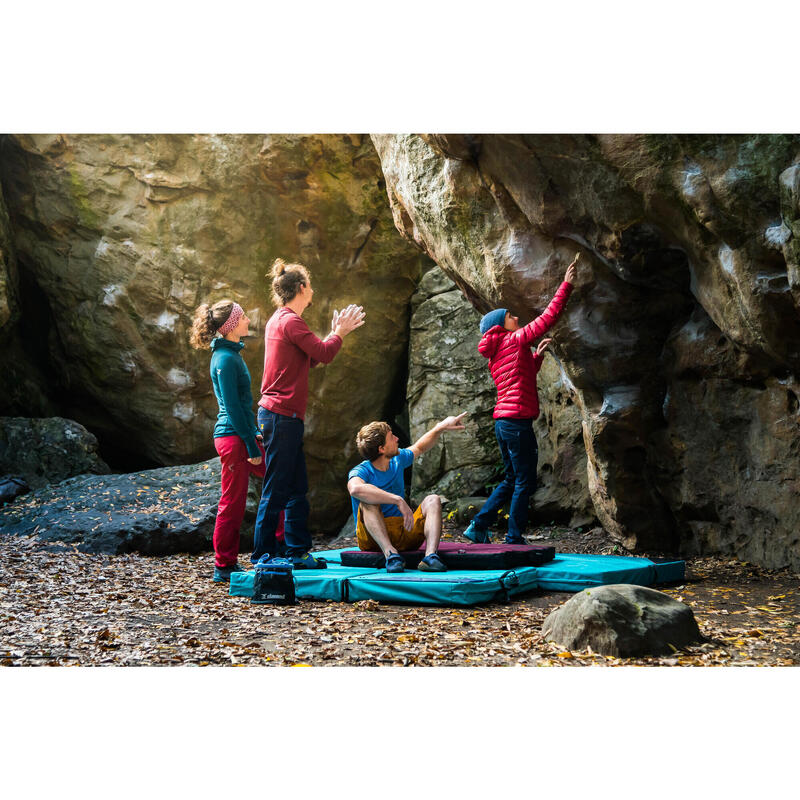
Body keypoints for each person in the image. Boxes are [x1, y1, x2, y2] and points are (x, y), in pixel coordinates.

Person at [252, 258, 365, 568]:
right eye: (310, 285)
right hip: (280, 417)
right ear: (302, 288)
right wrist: (339, 333)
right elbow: (325, 354)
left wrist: (333, 334)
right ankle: (263, 556)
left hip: (284, 417)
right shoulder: (290, 321)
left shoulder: (282, 320)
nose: (312, 290)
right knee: (277, 489)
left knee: (296, 488)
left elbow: (310, 358)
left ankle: (297, 552)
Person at [463, 254, 579, 545]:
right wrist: (566, 285)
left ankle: (478, 526)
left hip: (503, 422)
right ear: (502, 324)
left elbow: (517, 376)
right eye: (511, 316)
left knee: (511, 478)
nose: (516, 317)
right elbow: (547, 319)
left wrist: (535, 358)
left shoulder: (498, 351)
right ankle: (514, 537)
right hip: (516, 423)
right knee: (524, 480)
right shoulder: (514, 340)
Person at [190, 299, 265, 582]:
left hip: (241, 435)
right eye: (243, 317)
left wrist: (255, 432)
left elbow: (242, 406)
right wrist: (249, 445)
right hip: (232, 439)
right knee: (232, 502)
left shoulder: (231, 355)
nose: (248, 320)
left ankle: (278, 548)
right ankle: (224, 565)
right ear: (231, 325)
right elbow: (232, 408)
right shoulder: (225, 358)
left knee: (276, 481)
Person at [347, 413, 467, 573]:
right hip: (373, 540)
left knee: (433, 499)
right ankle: (391, 555)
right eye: (391, 437)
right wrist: (397, 500)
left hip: (404, 532)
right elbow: (355, 488)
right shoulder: (362, 470)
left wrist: (441, 426)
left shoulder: (397, 459)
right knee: (367, 501)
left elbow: (419, 447)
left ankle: (430, 557)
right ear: (382, 449)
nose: (397, 438)